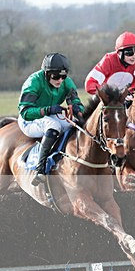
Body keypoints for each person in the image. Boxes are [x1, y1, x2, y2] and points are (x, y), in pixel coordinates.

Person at [18, 53, 85, 186]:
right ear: (46, 73)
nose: (60, 80)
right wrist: (47, 110)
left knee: (73, 125)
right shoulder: (34, 82)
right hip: (29, 120)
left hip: (50, 116)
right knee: (53, 125)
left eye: (63, 76)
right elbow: (25, 112)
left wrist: (78, 108)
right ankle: (40, 169)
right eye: (56, 76)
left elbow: (75, 101)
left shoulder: (67, 82)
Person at [84, 31, 135, 98]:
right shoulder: (108, 60)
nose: (134, 56)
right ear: (119, 53)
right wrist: (107, 94)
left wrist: (128, 93)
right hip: (106, 98)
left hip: (127, 97)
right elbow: (90, 84)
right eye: (129, 53)